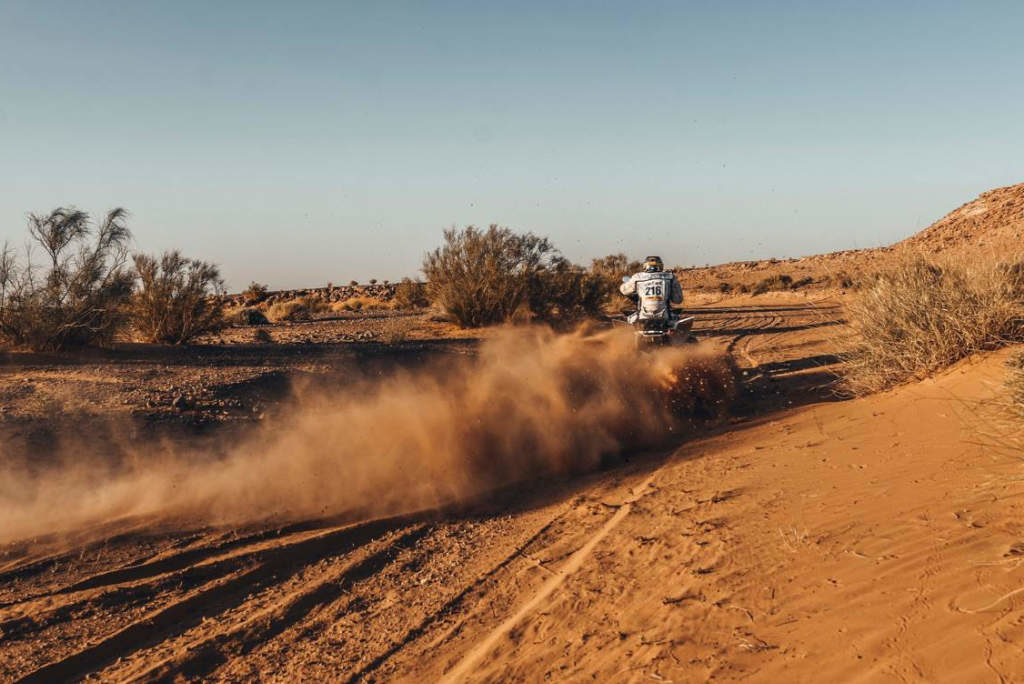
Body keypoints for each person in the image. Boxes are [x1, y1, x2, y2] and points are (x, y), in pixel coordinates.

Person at [619, 255, 683, 322]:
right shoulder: (670, 277)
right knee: (675, 318)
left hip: (643, 317)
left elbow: (623, 290)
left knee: (630, 319)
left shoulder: (637, 277)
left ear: (645, 266)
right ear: (660, 266)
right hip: (665, 317)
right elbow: (678, 300)